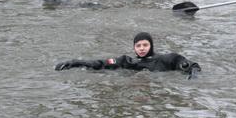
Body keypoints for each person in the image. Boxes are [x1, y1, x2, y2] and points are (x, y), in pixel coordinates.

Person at [55, 32, 201, 79]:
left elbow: (192, 65)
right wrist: (76, 62)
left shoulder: (167, 59)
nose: (142, 48)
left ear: (151, 46)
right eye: (138, 46)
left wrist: (193, 73)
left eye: (145, 45)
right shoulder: (127, 61)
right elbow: (101, 63)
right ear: (134, 48)